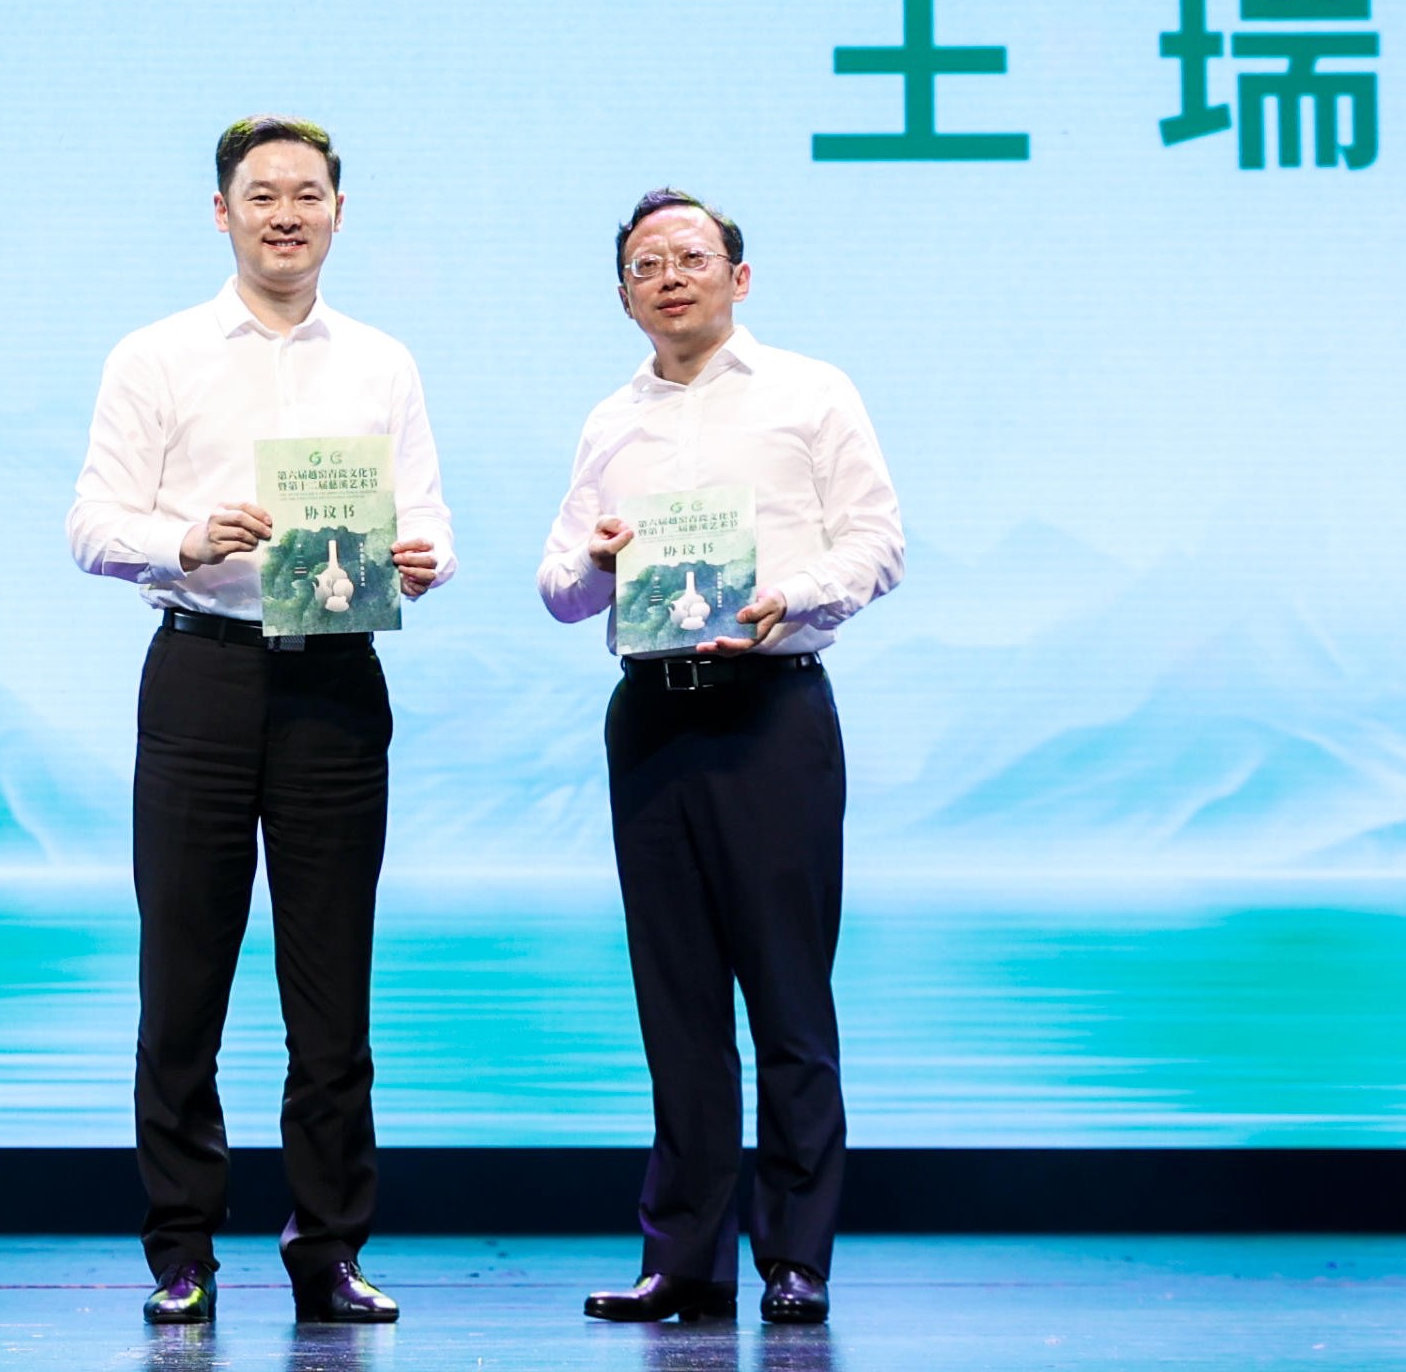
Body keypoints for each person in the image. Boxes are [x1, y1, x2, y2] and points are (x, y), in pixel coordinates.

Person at [67, 116, 454, 1328]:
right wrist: (182, 539)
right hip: (203, 671)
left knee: (332, 985)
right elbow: (91, 526)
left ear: (339, 210)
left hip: (336, 682)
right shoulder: (156, 356)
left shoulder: (381, 363)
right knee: (182, 977)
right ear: (221, 211)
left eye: (307, 193)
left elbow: (430, 516)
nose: (286, 213)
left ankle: (327, 1248)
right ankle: (181, 1250)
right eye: (262, 193)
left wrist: (424, 559)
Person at [537, 189, 904, 1327]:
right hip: (650, 716)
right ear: (623, 295)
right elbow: (557, 589)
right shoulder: (609, 422)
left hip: (770, 714)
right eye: (646, 264)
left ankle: (794, 1256)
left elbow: (879, 544)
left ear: (737, 278)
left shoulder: (810, 392)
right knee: (677, 1003)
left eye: (691, 257)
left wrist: (792, 593)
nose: (670, 277)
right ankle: (683, 1261)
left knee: (788, 997)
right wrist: (596, 564)